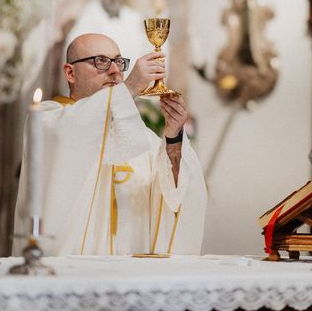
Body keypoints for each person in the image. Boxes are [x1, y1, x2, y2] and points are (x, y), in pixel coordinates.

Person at [13, 33, 207, 256]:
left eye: (119, 62)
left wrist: (173, 138)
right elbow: (75, 130)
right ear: (70, 72)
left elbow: (174, 197)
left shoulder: (139, 136)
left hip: (130, 277)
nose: (115, 71)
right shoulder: (48, 120)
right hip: (70, 274)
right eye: (101, 61)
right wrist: (131, 86)